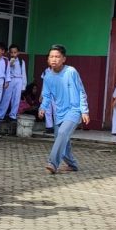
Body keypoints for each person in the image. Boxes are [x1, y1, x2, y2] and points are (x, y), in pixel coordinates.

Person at [38, 44, 89, 174]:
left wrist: (84, 110)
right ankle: (72, 164)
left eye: (57, 56)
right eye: (51, 57)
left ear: (64, 59)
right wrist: (43, 108)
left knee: (62, 134)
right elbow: (46, 95)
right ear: (48, 59)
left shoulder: (71, 72)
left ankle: (52, 163)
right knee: (61, 140)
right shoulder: (47, 76)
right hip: (59, 112)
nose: (54, 59)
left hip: (74, 110)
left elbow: (81, 91)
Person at [0, 44, 28, 122]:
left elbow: (23, 73)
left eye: (15, 52)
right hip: (10, 79)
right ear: (9, 53)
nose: (13, 54)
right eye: (11, 52)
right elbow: (4, 72)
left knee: (16, 98)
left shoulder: (21, 62)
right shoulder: (6, 61)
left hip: (19, 80)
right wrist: (10, 65)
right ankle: (0, 115)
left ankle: (13, 115)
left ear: (18, 53)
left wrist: (23, 85)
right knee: (6, 97)